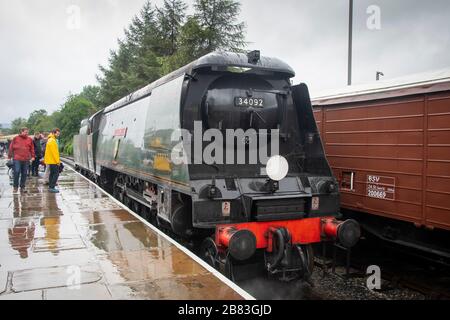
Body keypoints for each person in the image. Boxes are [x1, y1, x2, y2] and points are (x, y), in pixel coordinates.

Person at [8, 127, 35, 194]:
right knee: (16, 172)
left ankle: (22, 187)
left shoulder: (29, 139)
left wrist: (33, 156)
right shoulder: (16, 138)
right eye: (25, 132)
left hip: (26, 159)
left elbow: (32, 148)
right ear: (21, 132)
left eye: (27, 132)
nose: (27, 133)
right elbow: (11, 147)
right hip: (17, 159)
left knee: (25, 173)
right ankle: (15, 187)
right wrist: (9, 156)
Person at [44, 128, 61, 193]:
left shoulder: (50, 139)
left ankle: (50, 186)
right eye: (57, 134)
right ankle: (52, 187)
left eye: (59, 134)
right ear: (54, 133)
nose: (58, 135)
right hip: (53, 160)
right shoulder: (52, 141)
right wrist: (58, 161)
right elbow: (55, 152)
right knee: (56, 174)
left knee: (52, 174)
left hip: (50, 160)